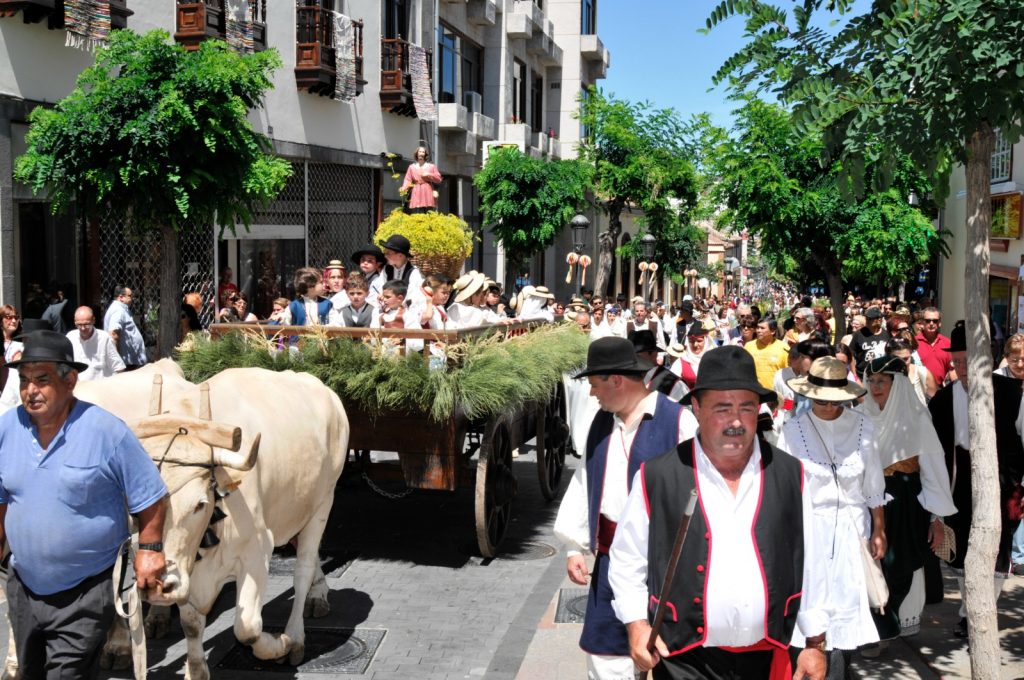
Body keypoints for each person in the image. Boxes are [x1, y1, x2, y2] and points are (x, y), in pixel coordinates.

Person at [608, 345, 829, 680]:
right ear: (696, 407)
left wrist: (814, 643)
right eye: (722, 409)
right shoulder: (658, 475)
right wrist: (636, 624)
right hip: (684, 657)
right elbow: (628, 559)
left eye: (746, 407)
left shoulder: (790, 474)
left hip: (769, 654)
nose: (736, 421)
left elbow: (810, 560)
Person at [0, 330, 167, 677]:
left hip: (86, 592)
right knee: (31, 672)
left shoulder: (106, 431)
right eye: (25, 380)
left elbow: (149, 496)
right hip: (23, 586)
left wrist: (150, 549)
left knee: (66, 673)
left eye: (42, 380)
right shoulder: (7, 429)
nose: (31, 391)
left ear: (70, 380)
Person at [552, 337, 697, 680]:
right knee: (607, 660)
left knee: (665, 657)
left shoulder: (680, 424)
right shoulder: (602, 423)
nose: (591, 394)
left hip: (664, 568)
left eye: (594, 384)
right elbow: (586, 482)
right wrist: (574, 547)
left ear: (616, 380)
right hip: (609, 563)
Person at [779, 357, 888, 672]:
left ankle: (840, 670)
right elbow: (787, 487)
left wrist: (879, 529)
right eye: (820, 398)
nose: (826, 405)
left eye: (833, 399)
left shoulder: (864, 426)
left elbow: (873, 485)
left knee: (846, 606)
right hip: (809, 528)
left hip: (853, 530)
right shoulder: (793, 429)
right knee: (812, 606)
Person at [928, 321, 1024, 639]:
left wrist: (1017, 486)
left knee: (996, 550)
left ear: (985, 359)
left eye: (970, 360)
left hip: (1001, 483)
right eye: (956, 361)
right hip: (959, 483)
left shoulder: (1011, 393)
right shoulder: (942, 400)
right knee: (960, 552)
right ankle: (969, 610)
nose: (963, 368)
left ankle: (979, 614)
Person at [858, 356, 956, 642]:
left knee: (898, 565)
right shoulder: (860, 417)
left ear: (897, 384)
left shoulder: (915, 417)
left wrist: (937, 518)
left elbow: (934, 470)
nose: (875, 387)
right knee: (871, 565)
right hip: (867, 501)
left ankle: (888, 627)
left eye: (882, 381)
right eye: (871, 381)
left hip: (906, 502)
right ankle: (876, 627)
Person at [65, 306, 125, 381]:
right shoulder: (70, 337)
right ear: (75, 322)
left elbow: (118, 367)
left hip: (99, 388)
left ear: (93, 321)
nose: (83, 328)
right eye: (79, 325)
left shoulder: (104, 338)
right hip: (79, 388)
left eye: (86, 324)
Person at [103, 286, 147, 370]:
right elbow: (113, 334)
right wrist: (118, 360)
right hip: (126, 363)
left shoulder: (121, 309)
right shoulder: (118, 310)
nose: (132, 298)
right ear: (121, 297)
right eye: (130, 296)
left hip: (129, 361)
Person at [745, 319, 790, 397]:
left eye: (762, 328)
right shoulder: (748, 346)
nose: (758, 330)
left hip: (775, 396)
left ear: (772, 331)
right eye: (758, 328)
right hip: (754, 394)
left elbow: (789, 375)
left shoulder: (783, 348)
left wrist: (787, 405)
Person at [380, 235, 425, 306]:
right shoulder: (386, 269)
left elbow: (413, 296)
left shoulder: (413, 273)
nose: (385, 256)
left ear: (400, 255)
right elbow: (381, 288)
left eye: (388, 253)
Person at [400, 146, 443, 212]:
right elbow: (408, 179)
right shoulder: (412, 167)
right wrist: (404, 188)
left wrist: (429, 174)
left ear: (425, 154)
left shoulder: (431, 166)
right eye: (420, 151)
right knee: (416, 210)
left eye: (423, 152)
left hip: (427, 190)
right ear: (417, 154)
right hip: (416, 190)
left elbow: (438, 178)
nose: (421, 153)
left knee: (428, 210)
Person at [850, 307, 891, 376]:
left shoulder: (886, 335)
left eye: (870, 319)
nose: (867, 321)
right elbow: (851, 354)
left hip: (881, 374)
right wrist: (854, 374)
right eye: (866, 318)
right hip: (862, 374)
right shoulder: (859, 334)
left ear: (879, 320)